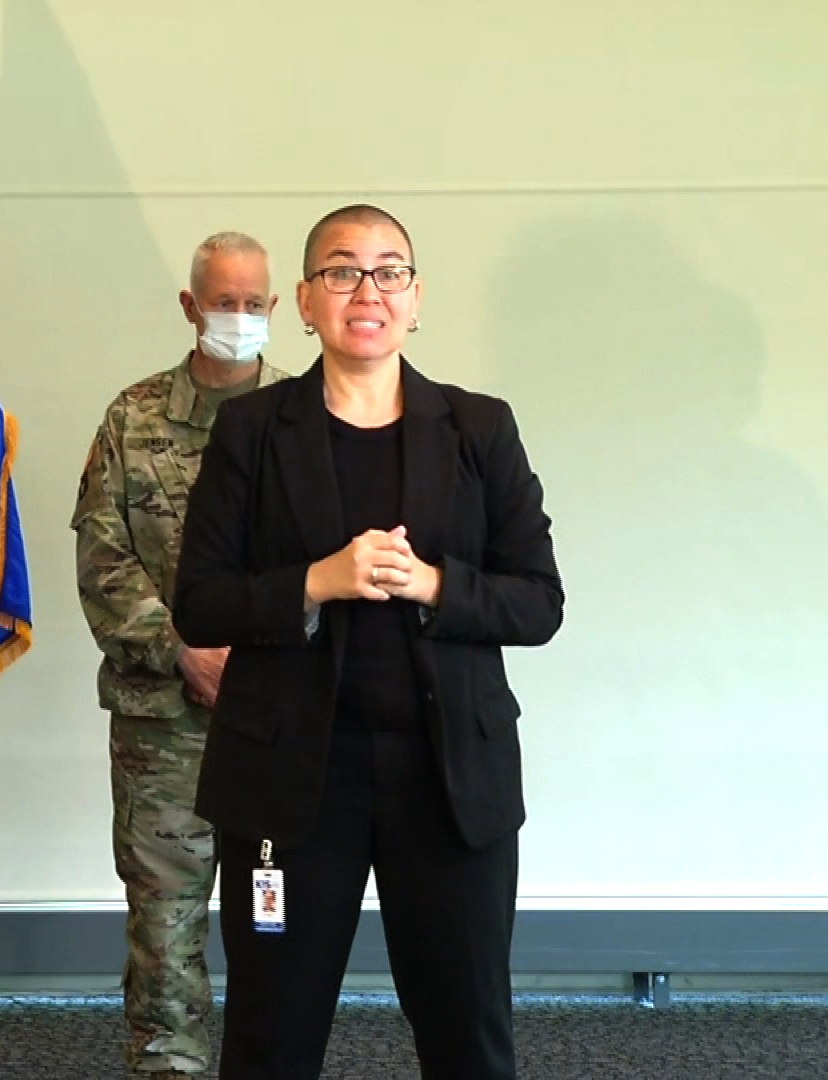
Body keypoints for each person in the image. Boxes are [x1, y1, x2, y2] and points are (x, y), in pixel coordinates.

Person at [170, 205, 564, 1079]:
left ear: (416, 299)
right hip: (292, 783)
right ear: (306, 302)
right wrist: (317, 581)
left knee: (469, 1030)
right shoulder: (252, 431)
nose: (367, 290)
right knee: (273, 1032)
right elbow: (199, 603)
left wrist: (433, 583)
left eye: (389, 272)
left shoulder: (481, 428)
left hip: (449, 776)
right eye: (342, 271)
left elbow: (538, 603)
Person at [73, 231, 291, 1077]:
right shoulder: (134, 417)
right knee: (166, 928)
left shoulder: (302, 420)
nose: (237, 317)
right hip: (163, 724)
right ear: (190, 306)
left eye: (252, 303)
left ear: (275, 310)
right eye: (222, 301)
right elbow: (102, 557)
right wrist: (182, 650)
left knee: (277, 923)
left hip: (277, 722)